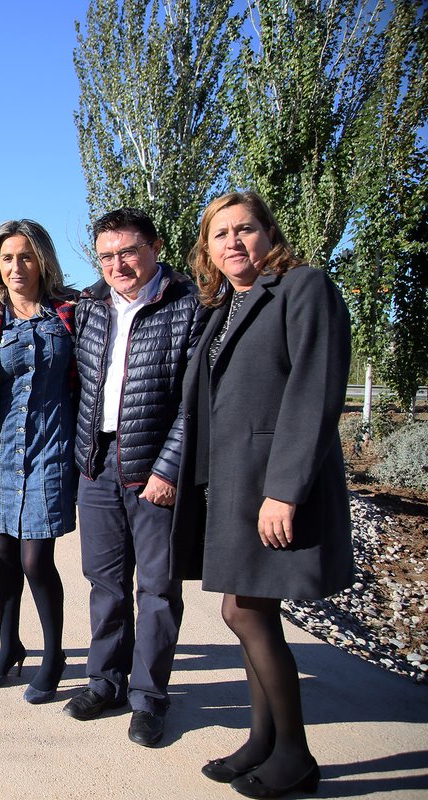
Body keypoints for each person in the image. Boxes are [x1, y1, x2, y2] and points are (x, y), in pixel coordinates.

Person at [173, 191, 352, 798]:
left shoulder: (304, 288)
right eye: (220, 234)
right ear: (207, 248)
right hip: (231, 487)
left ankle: (295, 752)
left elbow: (314, 390)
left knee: (244, 611)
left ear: (268, 234)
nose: (232, 243)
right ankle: (264, 740)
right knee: (249, 611)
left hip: (272, 488)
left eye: (245, 230)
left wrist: (284, 490)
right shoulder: (225, 307)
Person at [67, 208, 203, 747]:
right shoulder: (89, 305)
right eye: (107, 255)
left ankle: (149, 698)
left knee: (158, 589)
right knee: (104, 583)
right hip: (96, 464)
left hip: (152, 465)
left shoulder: (188, 304)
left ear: (155, 247)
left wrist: (169, 468)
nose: (118, 264)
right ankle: (105, 681)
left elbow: (196, 403)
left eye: (129, 251)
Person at [0, 219, 77, 703]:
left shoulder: (71, 312)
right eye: (7, 258)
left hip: (52, 450)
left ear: (41, 259)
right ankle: (9, 647)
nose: (16, 267)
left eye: (25, 256)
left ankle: (54, 654)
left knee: (35, 557)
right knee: (3, 553)